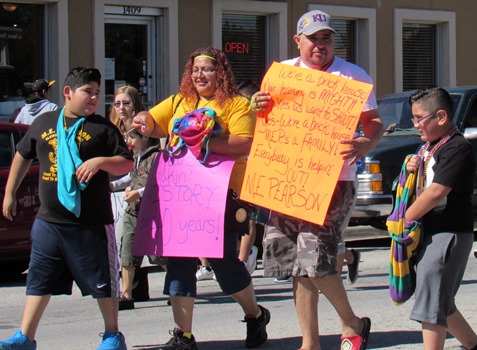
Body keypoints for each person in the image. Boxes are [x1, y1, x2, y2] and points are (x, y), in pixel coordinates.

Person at [252, 10, 383, 350]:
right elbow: (264, 118)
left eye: (326, 38)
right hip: (286, 178)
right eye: (313, 38)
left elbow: (374, 123)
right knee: (293, 262)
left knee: (318, 262)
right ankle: (309, 343)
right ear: (298, 41)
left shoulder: (352, 76)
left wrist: (368, 142)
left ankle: (352, 322)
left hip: (334, 180)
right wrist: (256, 104)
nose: (320, 45)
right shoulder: (281, 75)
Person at [131, 46, 270, 350]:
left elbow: (244, 143)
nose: (199, 75)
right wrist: (144, 119)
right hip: (180, 197)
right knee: (179, 262)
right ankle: (184, 335)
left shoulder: (237, 105)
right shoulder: (180, 101)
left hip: (218, 197)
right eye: (195, 70)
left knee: (224, 266)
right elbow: (153, 123)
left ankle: (255, 315)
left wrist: (203, 139)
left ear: (221, 72)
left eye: (207, 69)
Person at [0, 67, 133, 350]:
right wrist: (10, 193)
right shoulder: (44, 123)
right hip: (49, 221)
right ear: (68, 92)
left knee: (102, 282)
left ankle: (112, 335)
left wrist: (99, 162)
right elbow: (22, 156)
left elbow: (125, 162)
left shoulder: (103, 129)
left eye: (97, 93)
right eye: (88, 91)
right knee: (38, 279)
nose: (94, 98)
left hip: (91, 222)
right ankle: (25, 337)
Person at [404, 87, 477, 350]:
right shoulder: (428, 147)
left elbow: (437, 191)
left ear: (442, 117)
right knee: (441, 303)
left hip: (449, 232)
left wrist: (404, 218)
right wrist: (410, 167)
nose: (415, 125)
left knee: (431, 303)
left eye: (419, 118)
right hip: (431, 232)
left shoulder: (457, 147)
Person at [110, 129, 161, 310]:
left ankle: (175, 288)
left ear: (145, 137)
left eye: (132, 137)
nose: (128, 140)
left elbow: (159, 183)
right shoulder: (136, 156)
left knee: (158, 255)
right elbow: (132, 177)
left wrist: (137, 193)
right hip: (133, 211)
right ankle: (126, 295)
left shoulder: (156, 156)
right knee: (127, 251)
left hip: (152, 211)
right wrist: (114, 184)